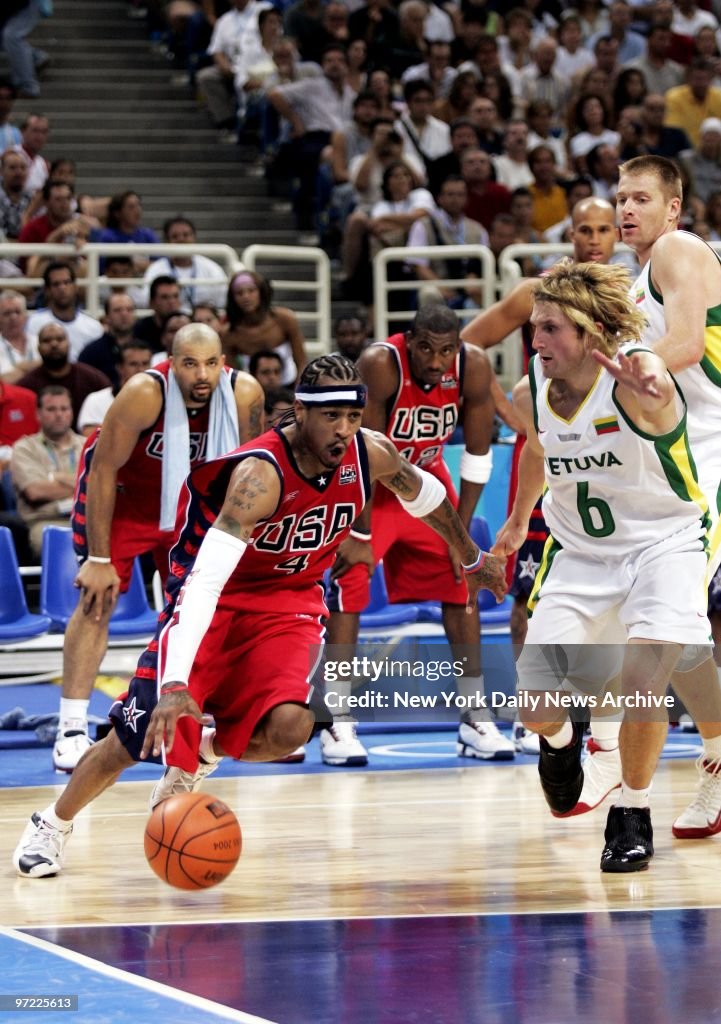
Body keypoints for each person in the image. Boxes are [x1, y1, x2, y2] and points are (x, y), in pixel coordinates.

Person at [12, 353, 507, 878]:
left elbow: (425, 495)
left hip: (288, 605)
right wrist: (176, 684)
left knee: (293, 726)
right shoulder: (259, 476)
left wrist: (470, 556)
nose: (343, 431)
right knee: (134, 740)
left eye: (353, 417)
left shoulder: (371, 453)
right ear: (299, 412)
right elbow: (203, 584)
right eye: (330, 417)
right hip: (217, 599)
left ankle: (204, 751)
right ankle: (53, 822)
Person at [493, 259, 712, 872]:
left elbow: (661, 396)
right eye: (534, 327)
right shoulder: (531, 386)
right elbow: (538, 448)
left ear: (590, 334)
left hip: (663, 543)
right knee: (533, 703)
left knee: (645, 683)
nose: (535, 341)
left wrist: (656, 388)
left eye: (550, 329)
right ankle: (564, 749)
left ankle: (633, 812)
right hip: (580, 555)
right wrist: (516, 523)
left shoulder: (636, 376)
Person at [50, 323, 264, 773]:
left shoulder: (244, 393)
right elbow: (103, 469)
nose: (202, 374)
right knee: (97, 599)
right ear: (171, 363)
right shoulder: (146, 393)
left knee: (204, 606)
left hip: (190, 505)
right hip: (124, 501)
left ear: (224, 362)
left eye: (211, 363)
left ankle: (200, 718)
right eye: (189, 364)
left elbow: (254, 467)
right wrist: (99, 559)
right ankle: (70, 727)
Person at [461, 196, 619, 766]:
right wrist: (507, 407)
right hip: (550, 452)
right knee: (528, 592)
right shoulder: (538, 293)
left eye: (606, 228)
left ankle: (594, 716)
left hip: (616, 464)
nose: (596, 237)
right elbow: (466, 347)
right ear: (568, 233)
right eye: (586, 229)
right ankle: (540, 717)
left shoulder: (625, 295)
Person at [324, 304, 511, 766]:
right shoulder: (381, 363)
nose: (435, 359)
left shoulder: (474, 366)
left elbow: (477, 455)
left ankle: (474, 715)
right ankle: (337, 718)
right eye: (425, 347)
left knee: (461, 580)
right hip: (372, 487)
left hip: (426, 478)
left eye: (445, 350)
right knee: (351, 581)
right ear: (409, 341)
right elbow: (363, 453)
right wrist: (361, 532)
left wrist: (461, 538)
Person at [614, 154, 721, 842]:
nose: (626, 209)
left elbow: (683, 343)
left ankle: (641, 799)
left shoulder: (678, 250)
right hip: (676, 470)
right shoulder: (630, 286)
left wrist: (626, 368)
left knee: (665, 639)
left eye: (640, 198)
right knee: (684, 637)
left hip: (713, 464)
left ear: (673, 208)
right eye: (619, 197)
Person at [10, 384, 85, 559]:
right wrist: (83, 484)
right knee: (55, 545)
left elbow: (107, 486)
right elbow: (35, 492)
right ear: (38, 414)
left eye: (64, 408)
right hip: (45, 522)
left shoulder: (87, 445)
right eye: (51, 409)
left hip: (88, 521)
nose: (59, 414)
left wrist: (56, 478)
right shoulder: (24, 448)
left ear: (71, 412)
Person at [221, 269, 307, 386]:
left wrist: (299, 392)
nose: (246, 297)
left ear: (261, 292)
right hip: (252, 391)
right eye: (239, 293)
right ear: (233, 298)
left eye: (251, 291)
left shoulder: (285, 319)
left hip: (291, 385)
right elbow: (231, 376)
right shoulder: (228, 333)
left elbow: (302, 361)